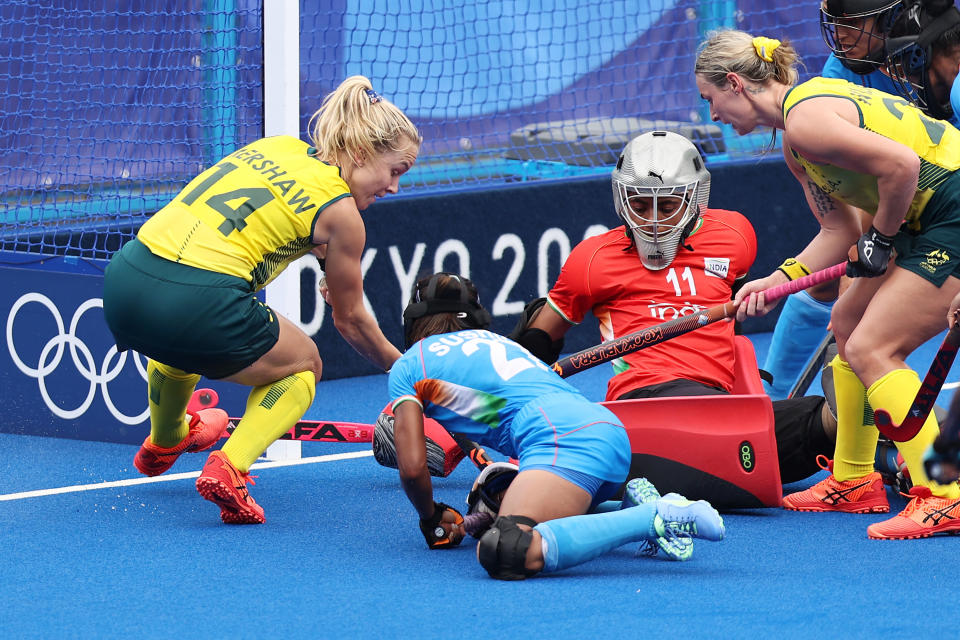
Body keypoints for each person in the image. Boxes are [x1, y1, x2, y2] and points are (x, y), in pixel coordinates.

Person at [102, 76, 416, 524]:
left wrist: (317, 252)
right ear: (361, 154)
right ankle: (230, 466)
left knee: (180, 346)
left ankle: (166, 438)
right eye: (395, 171)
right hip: (196, 299)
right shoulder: (343, 215)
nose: (394, 188)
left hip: (126, 278)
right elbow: (350, 322)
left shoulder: (277, 147)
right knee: (305, 364)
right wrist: (405, 371)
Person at [695, 30, 960, 539]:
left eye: (710, 99)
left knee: (873, 346)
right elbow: (841, 231)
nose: (712, 116)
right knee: (845, 322)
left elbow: (902, 168)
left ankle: (944, 489)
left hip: (949, 212)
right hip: (918, 220)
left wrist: (881, 239)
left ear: (735, 83)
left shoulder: (806, 120)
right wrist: (778, 280)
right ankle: (854, 479)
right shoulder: (798, 145)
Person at [517, 130, 836, 486]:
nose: (653, 220)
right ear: (621, 199)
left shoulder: (734, 235)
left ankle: (876, 441)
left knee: (829, 419)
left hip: (719, 404)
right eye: (639, 205)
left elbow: (729, 312)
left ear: (695, 199)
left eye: (667, 206)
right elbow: (535, 342)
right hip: (642, 404)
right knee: (753, 432)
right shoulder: (591, 259)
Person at [388, 272, 725, 580]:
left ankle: (657, 517)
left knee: (506, 549)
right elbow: (501, 409)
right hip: (604, 431)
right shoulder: (501, 344)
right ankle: (622, 507)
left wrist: (430, 515)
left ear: (413, 322)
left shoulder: (410, 365)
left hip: (561, 440)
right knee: (514, 505)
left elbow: (413, 469)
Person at [762, 0, 908, 400]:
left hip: (935, 195)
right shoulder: (841, 69)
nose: (841, 33)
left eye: (852, 21)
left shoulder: (941, 59)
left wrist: (880, 240)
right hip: (898, 197)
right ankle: (771, 403)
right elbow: (860, 187)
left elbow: (908, 165)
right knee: (839, 289)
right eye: (835, 22)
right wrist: (868, 241)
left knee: (861, 330)